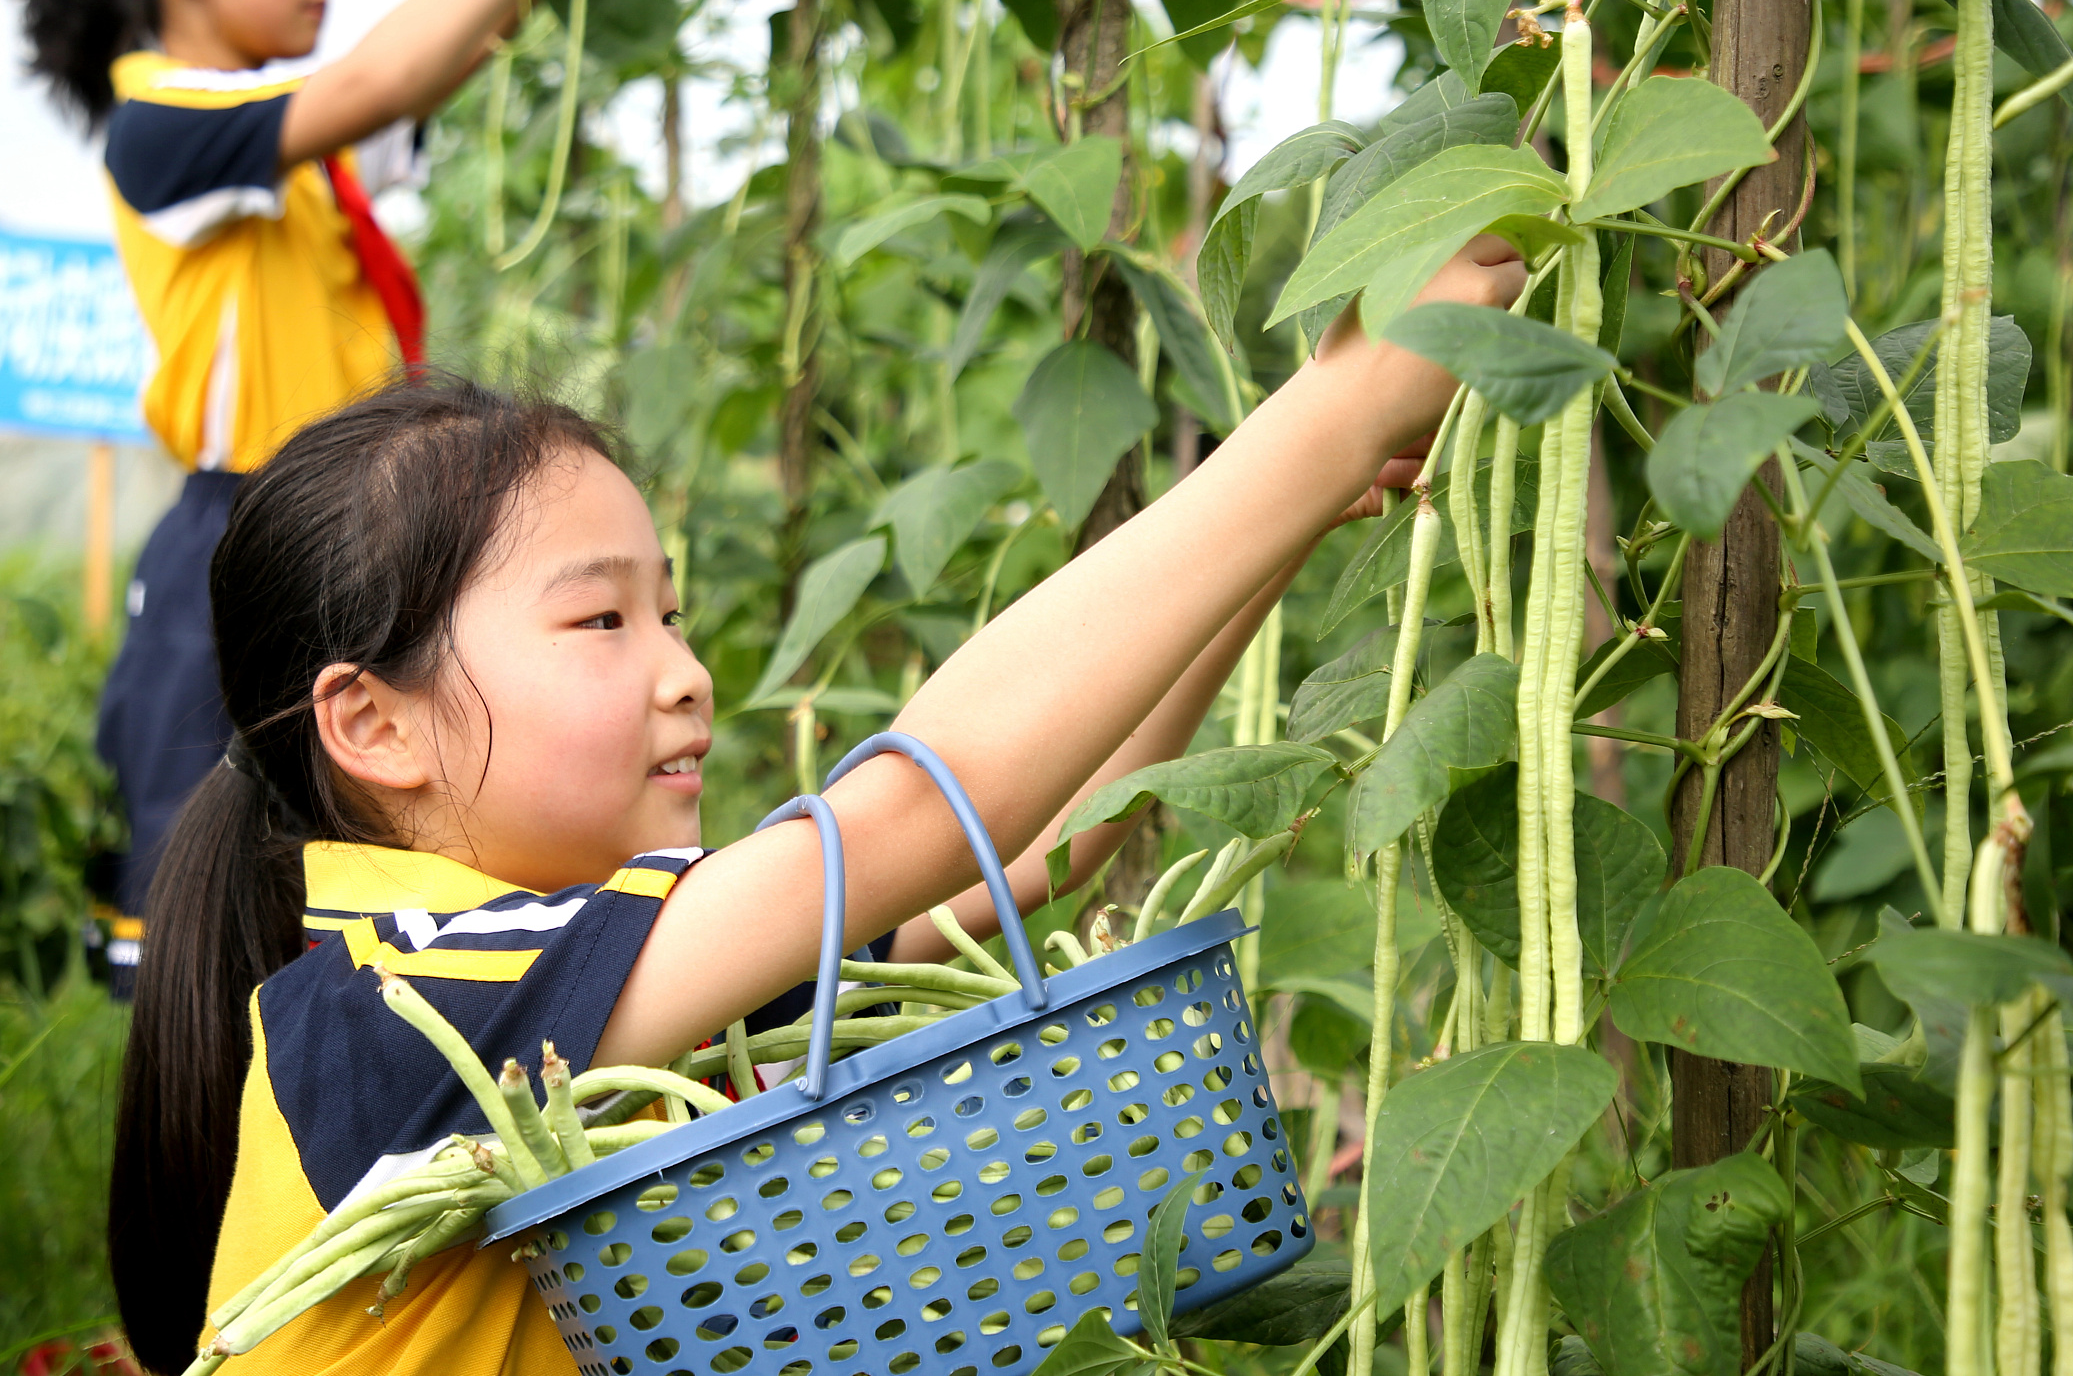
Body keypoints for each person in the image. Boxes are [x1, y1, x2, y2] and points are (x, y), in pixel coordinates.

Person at [105, 229, 1525, 1376]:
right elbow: (914, 814)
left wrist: (1280, 523)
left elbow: (1019, 852)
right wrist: (1328, 420)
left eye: (674, 611)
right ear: (375, 722)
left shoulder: (589, 965)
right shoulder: (406, 998)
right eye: (603, 622)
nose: (685, 671)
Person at [19, 0, 681, 993]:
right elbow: (382, 77)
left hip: (334, 528)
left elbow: (441, 56)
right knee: (211, 887)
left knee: (343, 848)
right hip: (240, 528)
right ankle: (221, 1136)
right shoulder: (164, 121)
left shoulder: (289, 149)